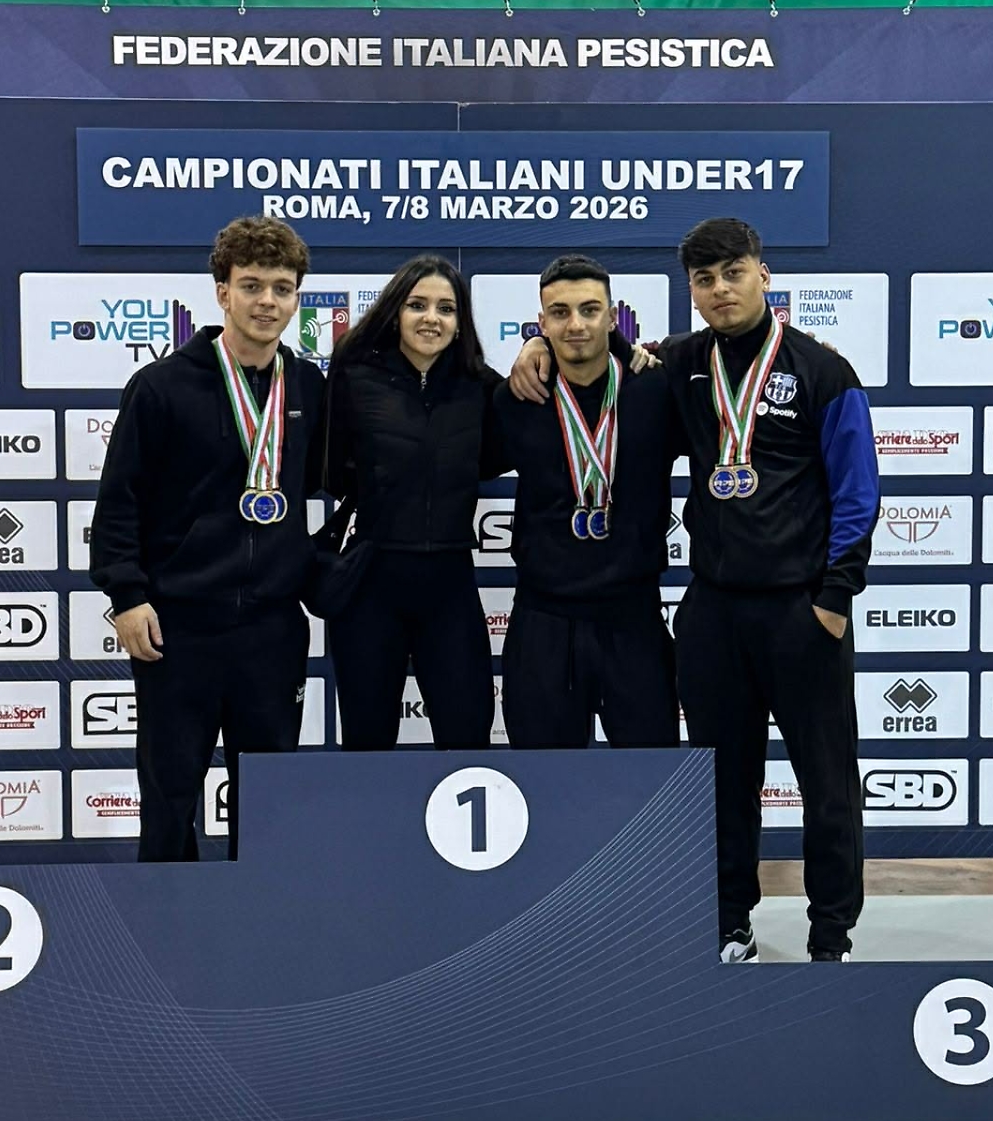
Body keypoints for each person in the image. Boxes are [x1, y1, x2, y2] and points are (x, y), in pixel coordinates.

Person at [512, 217, 879, 963]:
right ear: (691, 290)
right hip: (713, 611)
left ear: (763, 275)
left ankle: (830, 935)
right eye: (704, 280)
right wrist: (534, 345)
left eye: (733, 274)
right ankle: (728, 923)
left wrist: (835, 599)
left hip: (801, 610)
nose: (720, 290)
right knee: (722, 781)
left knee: (827, 783)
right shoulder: (676, 365)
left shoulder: (823, 371)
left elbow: (858, 491)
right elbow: (597, 348)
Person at [90, 217, 324, 862]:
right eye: (251, 286)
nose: (267, 302)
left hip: (272, 628)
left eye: (282, 289)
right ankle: (167, 919)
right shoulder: (161, 385)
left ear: (296, 298)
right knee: (169, 797)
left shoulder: (309, 387)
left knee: (269, 804)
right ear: (222, 292)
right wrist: (127, 595)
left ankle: (263, 918)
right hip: (178, 627)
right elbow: (119, 502)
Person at [492, 254, 681, 748]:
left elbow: (724, 368)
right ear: (542, 321)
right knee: (543, 782)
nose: (575, 324)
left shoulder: (655, 389)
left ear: (612, 316)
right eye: (560, 313)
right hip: (544, 621)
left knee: (649, 780)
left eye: (590, 310)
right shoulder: (517, 397)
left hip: (634, 618)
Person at [322, 255, 506, 751]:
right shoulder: (354, 376)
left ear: (460, 321)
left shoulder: (480, 386)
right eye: (417, 305)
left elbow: (493, 457)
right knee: (367, 746)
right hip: (370, 584)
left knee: (467, 741)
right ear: (394, 312)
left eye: (446, 308)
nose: (432, 318)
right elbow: (330, 467)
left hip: (450, 585)